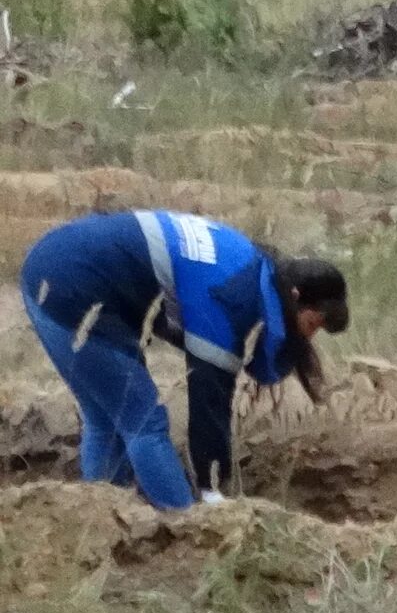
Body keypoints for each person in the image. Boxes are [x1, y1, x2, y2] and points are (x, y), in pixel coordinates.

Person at [17, 209, 347, 510]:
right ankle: (185, 530)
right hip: (73, 284)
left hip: (49, 265)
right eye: (312, 325)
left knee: (107, 419)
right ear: (294, 297)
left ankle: (102, 522)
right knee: (145, 422)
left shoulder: (248, 267)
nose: (309, 339)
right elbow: (209, 401)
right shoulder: (234, 298)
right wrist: (211, 494)